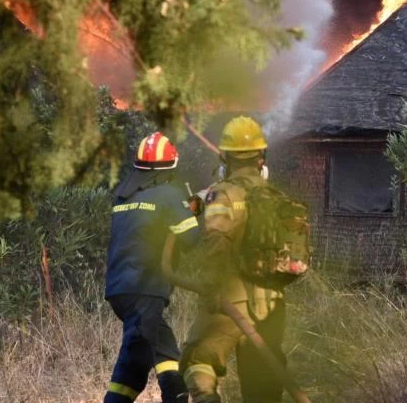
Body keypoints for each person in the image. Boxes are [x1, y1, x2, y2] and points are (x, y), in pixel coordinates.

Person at [179, 116, 287, 403]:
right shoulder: (276, 196)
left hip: (231, 298)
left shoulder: (222, 194)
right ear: (261, 158)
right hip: (272, 303)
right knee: (262, 385)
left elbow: (217, 240)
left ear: (224, 157)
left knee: (197, 360)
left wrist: (211, 285)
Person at [103, 132, 200, 403]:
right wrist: (192, 211)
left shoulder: (123, 196)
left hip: (120, 291)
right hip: (145, 290)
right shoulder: (169, 195)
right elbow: (191, 239)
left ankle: (176, 395)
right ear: (171, 167)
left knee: (164, 351)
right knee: (133, 365)